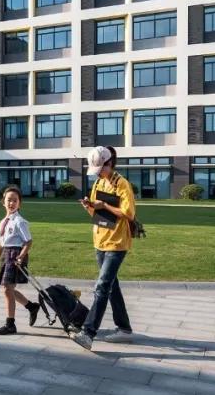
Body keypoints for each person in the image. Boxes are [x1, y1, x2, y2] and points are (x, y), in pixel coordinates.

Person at [73, 146, 136, 351]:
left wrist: (105, 205)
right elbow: (96, 213)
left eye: (101, 169)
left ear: (110, 163)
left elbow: (129, 213)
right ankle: (124, 329)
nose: (98, 173)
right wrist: (89, 206)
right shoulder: (99, 182)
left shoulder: (122, 184)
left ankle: (88, 333)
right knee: (111, 286)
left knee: (102, 287)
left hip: (117, 243)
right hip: (100, 240)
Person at [0, 185, 41, 335]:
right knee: (8, 289)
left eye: (15, 200)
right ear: (3, 202)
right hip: (7, 254)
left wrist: (21, 256)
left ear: (20, 203)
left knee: (7, 289)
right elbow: (1, 242)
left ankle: (10, 324)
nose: (11, 203)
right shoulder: (3, 221)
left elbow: (28, 241)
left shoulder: (20, 221)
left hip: (16, 255)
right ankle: (31, 307)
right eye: (9, 200)